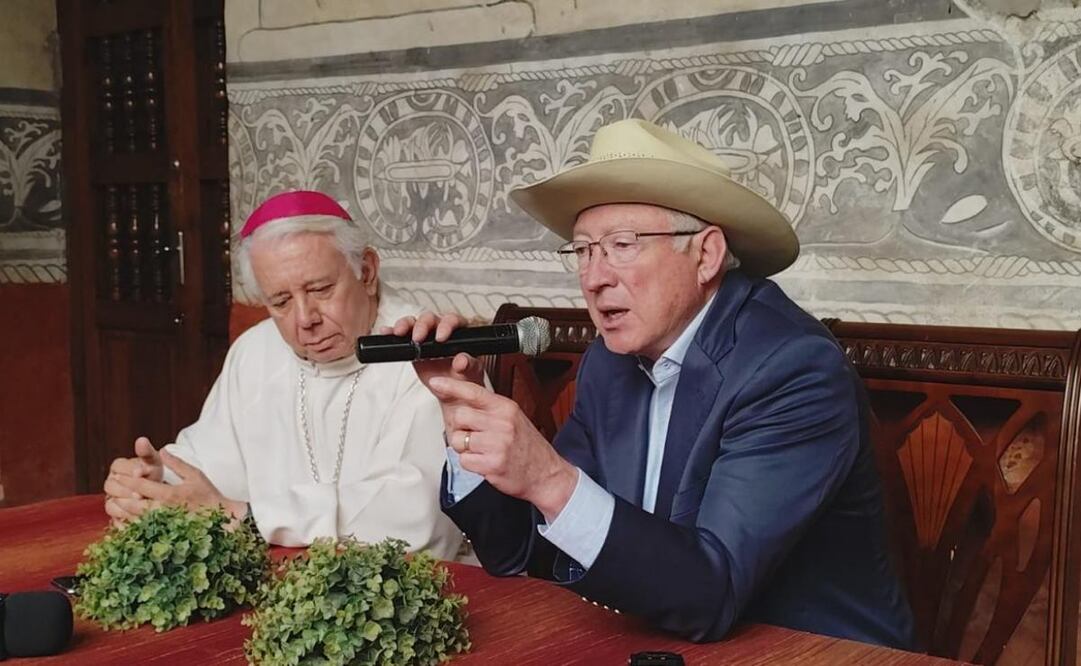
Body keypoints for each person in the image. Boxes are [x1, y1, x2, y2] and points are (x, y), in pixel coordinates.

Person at [390, 119, 915, 646]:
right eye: (583, 251)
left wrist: (550, 479)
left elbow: (711, 594)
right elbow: (526, 552)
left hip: (809, 653)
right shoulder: (611, 360)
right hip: (658, 638)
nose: (594, 278)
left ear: (706, 254)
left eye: (622, 245)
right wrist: (464, 412)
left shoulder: (791, 369)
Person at [103, 190, 462, 558]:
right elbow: (212, 467)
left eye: (320, 289)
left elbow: (420, 514)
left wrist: (250, 518)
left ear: (366, 272)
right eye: (281, 302)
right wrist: (154, 484)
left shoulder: (428, 353)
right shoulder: (254, 351)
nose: (305, 319)